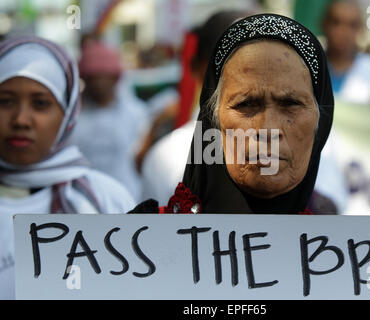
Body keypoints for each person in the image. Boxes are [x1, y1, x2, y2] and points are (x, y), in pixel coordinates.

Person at [131, 13, 335, 214]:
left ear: (321, 123)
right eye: (246, 104)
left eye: (291, 104)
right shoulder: (150, 236)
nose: (267, 129)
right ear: (214, 118)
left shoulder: (341, 241)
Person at [0, 36, 135, 300]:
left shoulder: (106, 200)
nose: (21, 120)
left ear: (68, 112)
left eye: (40, 103)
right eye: (5, 101)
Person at [71, 40, 147, 200]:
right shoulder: (72, 116)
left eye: (103, 76)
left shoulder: (136, 113)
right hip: (82, 203)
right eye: (93, 77)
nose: (99, 83)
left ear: (115, 78)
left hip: (129, 201)